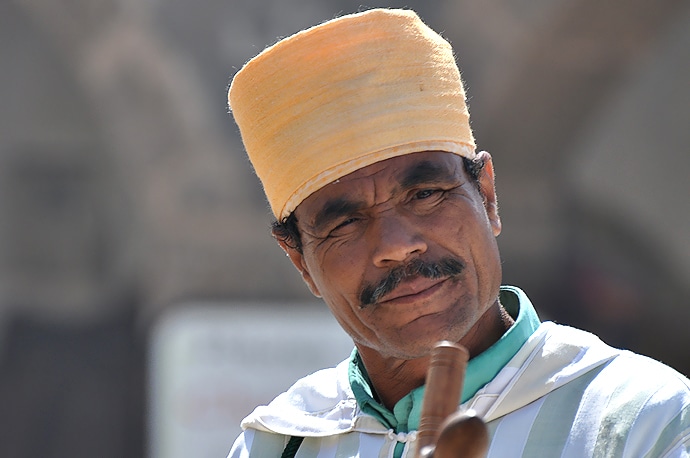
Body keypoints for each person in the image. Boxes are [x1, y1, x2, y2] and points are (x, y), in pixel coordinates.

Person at [226, 8, 690, 458]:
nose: (396, 245)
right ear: (301, 261)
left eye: (425, 194)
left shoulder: (642, 423)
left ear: (486, 195)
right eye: (345, 222)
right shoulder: (280, 442)